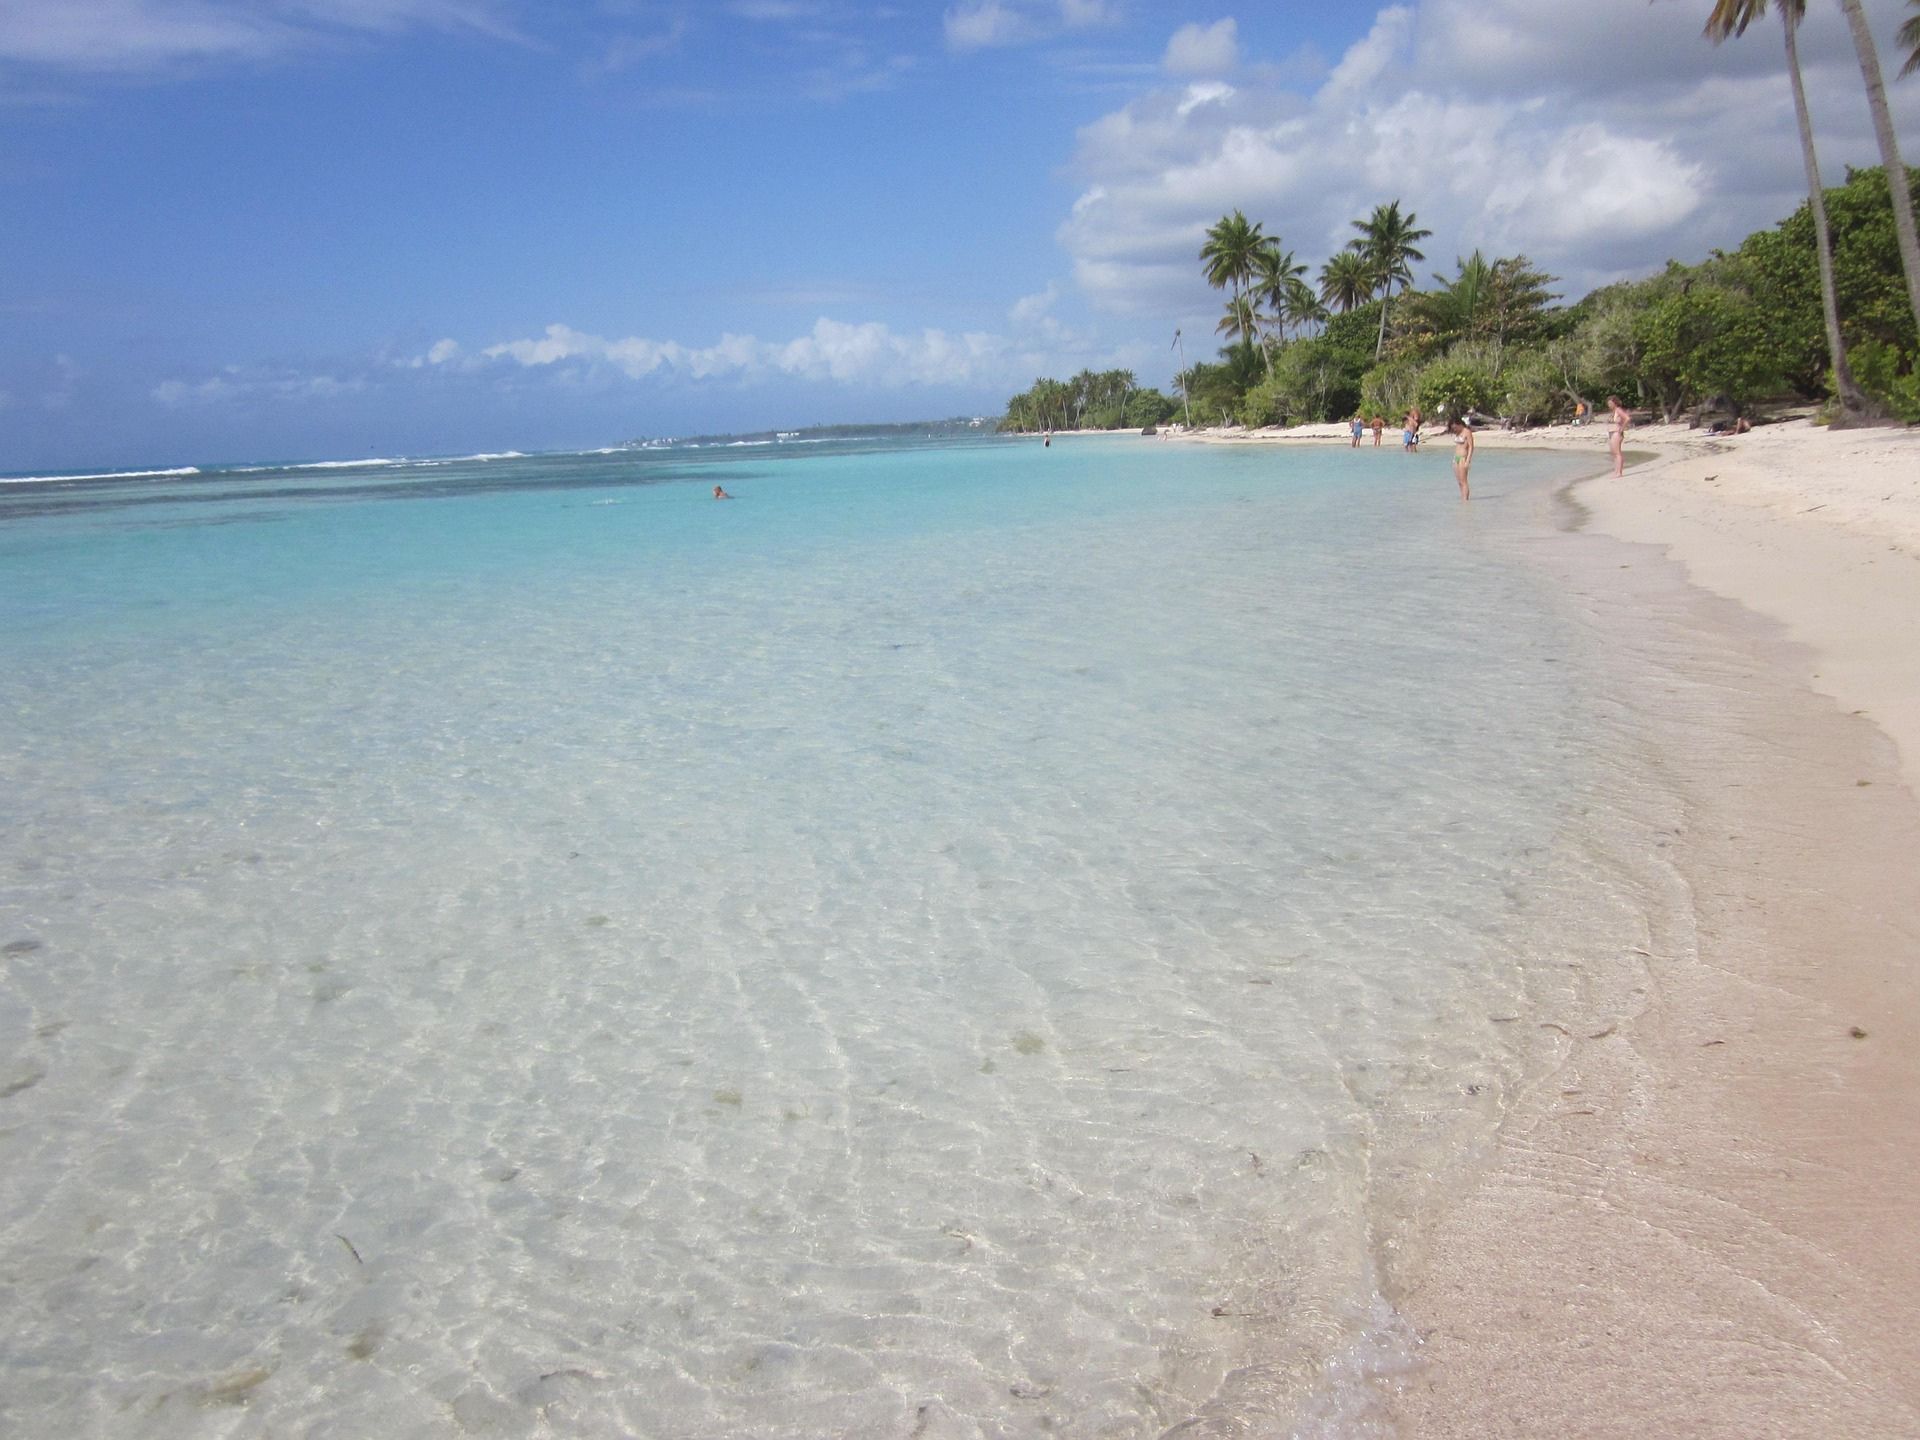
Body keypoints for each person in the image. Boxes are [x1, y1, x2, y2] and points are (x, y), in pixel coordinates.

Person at [1448, 418, 1475, 500]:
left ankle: (1465, 500)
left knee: (1464, 481)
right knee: (1459, 482)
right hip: (1456, 458)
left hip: (1463, 458)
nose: (1454, 429)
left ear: (1459, 424)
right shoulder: (1457, 433)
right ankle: (1463, 498)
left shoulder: (1467, 432)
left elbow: (1471, 447)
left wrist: (1468, 461)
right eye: (1453, 428)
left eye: (1455, 427)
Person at [1605, 395, 1629, 477]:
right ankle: (1616, 471)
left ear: (1615, 403)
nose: (1609, 405)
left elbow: (1627, 418)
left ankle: (1619, 472)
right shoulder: (1613, 411)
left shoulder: (1618, 410)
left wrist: (1622, 428)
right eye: (1608, 403)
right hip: (1611, 433)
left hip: (1616, 433)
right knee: (1614, 453)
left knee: (1617, 453)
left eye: (1610, 403)